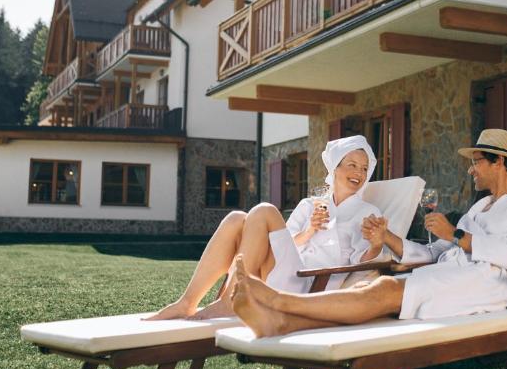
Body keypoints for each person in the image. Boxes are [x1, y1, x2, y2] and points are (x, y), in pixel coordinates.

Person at [229, 129, 507, 337]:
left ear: (499, 162)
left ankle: (276, 300)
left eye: (477, 161)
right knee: (380, 294)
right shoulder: (477, 209)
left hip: (484, 284)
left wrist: (456, 235)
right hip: (448, 275)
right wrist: (387, 239)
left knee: (382, 292)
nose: (471, 169)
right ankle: (280, 323)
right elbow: (432, 254)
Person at [146, 135, 387, 320]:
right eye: (352, 165)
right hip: (281, 271)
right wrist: (309, 232)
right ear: (335, 167)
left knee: (264, 211)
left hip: (309, 285)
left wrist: (377, 244)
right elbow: (286, 243)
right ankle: (188, 302)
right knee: (236, 218)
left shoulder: (368, 212)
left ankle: (232, 300)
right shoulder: (309, 205)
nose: (359, 173)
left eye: (364, 168)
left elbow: (361, 262)